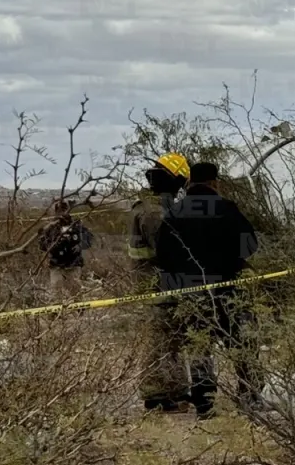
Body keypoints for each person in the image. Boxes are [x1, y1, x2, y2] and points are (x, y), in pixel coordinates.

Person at [155, 160, 263, 418]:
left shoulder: (174, 213)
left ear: (190, 182)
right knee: (242, 343)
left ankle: (204, 403)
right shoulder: (226, 209)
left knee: (199, 347)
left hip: (191, 292)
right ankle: (249, 396)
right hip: (229, 289)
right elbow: (250, 245)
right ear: (215, 182)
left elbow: (162, 257)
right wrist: (230, 261)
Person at [129, 152, 191, 413]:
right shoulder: (154, 212)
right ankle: (155, 394)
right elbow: (168, 251)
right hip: (157, 285)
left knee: (174, 339)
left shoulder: (154, 207)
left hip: (163, 284)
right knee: (159, 341)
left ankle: (175, 389)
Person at [38, 198, 93, 300]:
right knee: (56, 292)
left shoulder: (76, 224)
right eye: (59, 210)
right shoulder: (50, 227)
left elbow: (89, 237)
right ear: (56, 212)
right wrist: (51, 246)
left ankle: (79, 311)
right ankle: (56, 313)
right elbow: (42, 244)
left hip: (73, 263)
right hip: (56, 264)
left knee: (75, 290)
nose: (62, 212)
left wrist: (80, 245)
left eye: (64, 209)